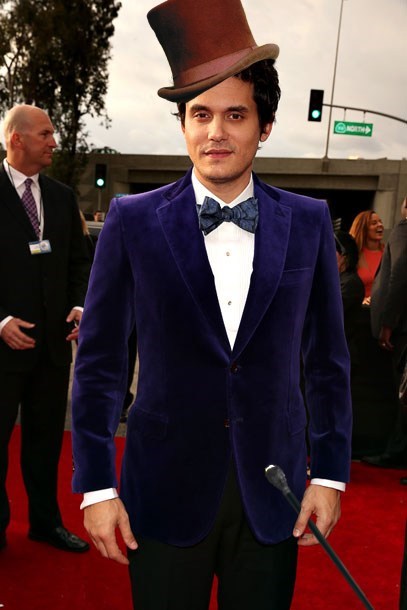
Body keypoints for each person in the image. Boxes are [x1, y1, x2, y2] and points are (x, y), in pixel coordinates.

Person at [72, 1, 352, 608]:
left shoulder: (308, 223)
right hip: (162, 488)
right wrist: (96, 485)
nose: (215, 132)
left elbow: (327, 364)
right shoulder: (131, 220)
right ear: (182, 123)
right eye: (200, 114)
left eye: (235, 114)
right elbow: (99, 364)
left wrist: (330, 474)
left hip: (274, 493)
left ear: (264, 126)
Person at [0, 104, 90, 553]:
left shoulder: (61, 197)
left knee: (45, 444)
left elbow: (80, 261)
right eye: (45, 134)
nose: (54, 142)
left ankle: (45, 523)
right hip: (2, 350)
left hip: (52, 350)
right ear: (16, 139)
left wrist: (78, 304)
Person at [363, 197, 407, 472]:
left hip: (401, 329)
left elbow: (399, 277)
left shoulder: (404, 229)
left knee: (403, 395)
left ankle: (397, 453)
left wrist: (388, 323)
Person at [349, 209, 384, 305]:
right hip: (358, 308)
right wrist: (362, 300)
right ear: (363, 228)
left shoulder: (388, 252)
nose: (380, 225)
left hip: (383, 308)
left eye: (380, 222)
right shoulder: (352, 255)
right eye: (374, 223)